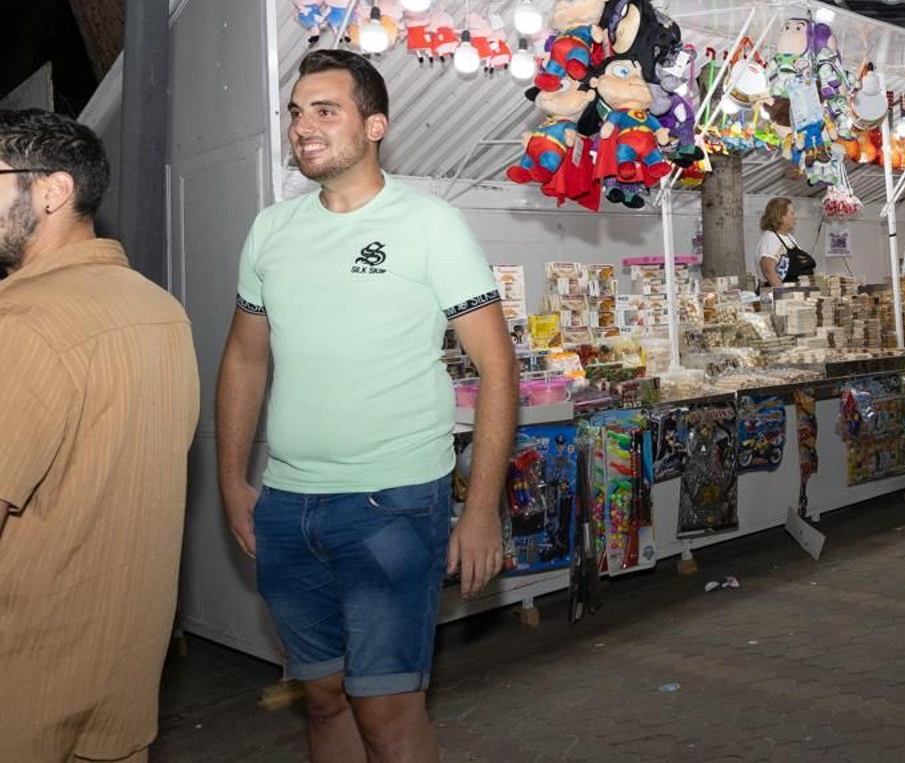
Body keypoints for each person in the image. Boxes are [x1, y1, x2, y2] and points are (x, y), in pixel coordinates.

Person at [216, 50, 517, 763]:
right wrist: (231, 480)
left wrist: (479, 509)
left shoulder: (429, 223)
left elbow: (496, 365)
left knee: (387, 712)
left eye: (326, 110)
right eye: (296, 111)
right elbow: (243, 357)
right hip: (288, 507)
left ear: (375, 124)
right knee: (322, 700)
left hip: (392, 505)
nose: (303, 126)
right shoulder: (271, 231)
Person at [0, 110, 201, 763]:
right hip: (122, 676)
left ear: (51, 191)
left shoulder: (23, 322)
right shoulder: (161, 310)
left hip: (23, 680)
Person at [756, 196, 816, 287]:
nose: (795, 217)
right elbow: (769, 272)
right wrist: (784, 296)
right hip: (778, 296)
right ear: (781, 216)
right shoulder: (770, 239)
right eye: (792, 213)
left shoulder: (790, 238)